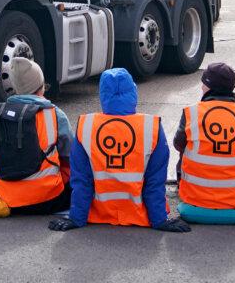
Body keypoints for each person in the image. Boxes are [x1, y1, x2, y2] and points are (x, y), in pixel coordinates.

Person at [49, 67, 189, 232]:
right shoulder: (151, 127)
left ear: (103, 95)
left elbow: (81, 180)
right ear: (133, 92)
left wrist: (76, 218)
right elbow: (155, 181)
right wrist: (159, 220)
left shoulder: (86, 126)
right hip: (139, 215)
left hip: (99, 214)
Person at [0, 57, 72, 217]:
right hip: (48, 199)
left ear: (15, 88)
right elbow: (69, 154)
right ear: (41, 87)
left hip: (6, 198)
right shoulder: (55, 114)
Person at [173, 62, 235, 210]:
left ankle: (185, 185)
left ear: (209, 86)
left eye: (203, 83)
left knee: (188, 146)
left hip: (194, 196)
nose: (201, 87)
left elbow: (178, 144)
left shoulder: (192, 112)